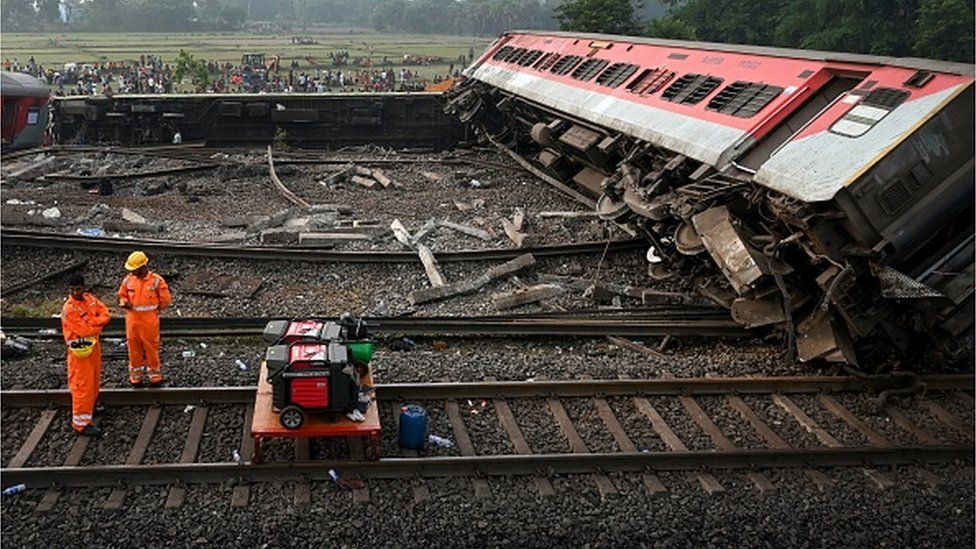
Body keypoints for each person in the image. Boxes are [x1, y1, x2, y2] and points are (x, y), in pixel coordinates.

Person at [61, 273, 111, 437]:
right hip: (79, 352)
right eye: (72, 289)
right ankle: (81, 424)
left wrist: (93, 322)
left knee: (94, 379)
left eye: (78, 288)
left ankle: (90, 408)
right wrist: (97, 325)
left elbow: (105, 314)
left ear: (84, 288)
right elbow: (84, 330)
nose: (75, 292)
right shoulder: (69, 309)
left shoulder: (90, 299)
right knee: (82, 384)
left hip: (92, 347)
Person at [118, 251, 172, 387]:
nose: (131, 272)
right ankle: (135, 378)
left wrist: (153, 310)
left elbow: (165, 300)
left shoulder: (156, 281)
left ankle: (155, 377)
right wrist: (124, 302)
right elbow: (122, 295)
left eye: (133, 269)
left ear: (142, 267)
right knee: (133, 348)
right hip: (132, 319)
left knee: (151, 348)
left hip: (149, 320)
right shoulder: (128, 280)